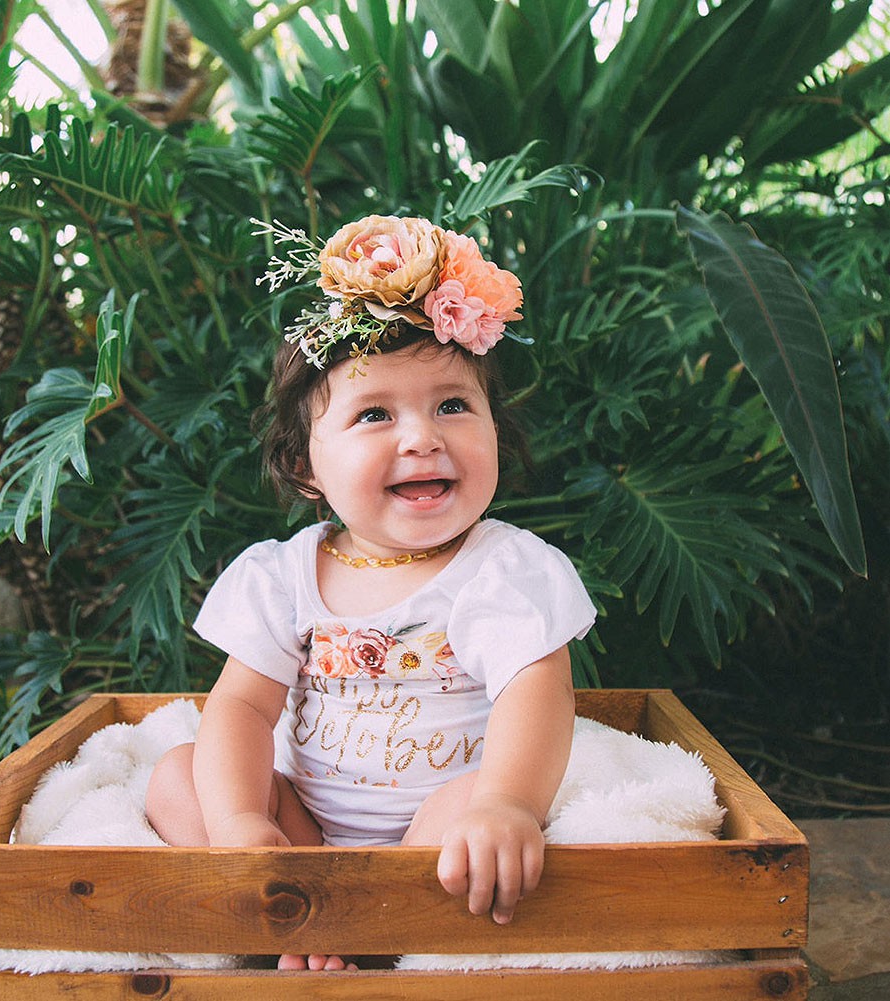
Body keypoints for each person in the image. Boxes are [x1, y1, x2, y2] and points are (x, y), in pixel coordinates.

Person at [145, 214, 596, 971]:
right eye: (374, 413)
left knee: (473, 805)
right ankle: (290, 899)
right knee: (177, 774)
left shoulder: (502, 567)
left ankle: (363, 929)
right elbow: (244, 708)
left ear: (494, 429)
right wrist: (242, 824)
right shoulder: (282, 573)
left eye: (452, 404)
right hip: (308, 835)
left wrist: (507, 802)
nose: (421, 436)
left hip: (438, 830)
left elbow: (535, 691)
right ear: (305, 467)